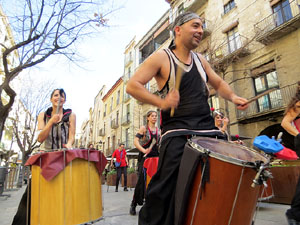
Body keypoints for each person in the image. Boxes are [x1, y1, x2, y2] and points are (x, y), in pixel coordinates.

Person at [126, 11, 248, 225]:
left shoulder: (201, 60)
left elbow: (218, 84)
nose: (200, 30)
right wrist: (161, 103)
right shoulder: (162, 57)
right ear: (178, 30)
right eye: (195, 25)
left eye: (201, 26)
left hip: (208, 130)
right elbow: (132, 85)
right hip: (178, 132)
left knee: (222, 180)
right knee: (164, 189)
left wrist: (233, 96)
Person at [12, 88, 76, 225]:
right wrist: (51, 121)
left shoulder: (71, 115)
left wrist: (69, 144)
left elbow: (72, 137)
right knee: (31, 195)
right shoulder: (43, 115)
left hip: (62, 158)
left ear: (65, 99)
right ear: (51, 98)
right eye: (56, 95)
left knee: (61, 195)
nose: (59, 98)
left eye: (62, 96)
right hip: (44, 159)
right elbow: (40, 138)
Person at [130, 110, 160, 215]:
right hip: (145, 159)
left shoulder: (158, 131)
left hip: (156, 159)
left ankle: (151, 204)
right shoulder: (144, 129)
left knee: (154, 182)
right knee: (141, 183)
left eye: (156, 116)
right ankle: (133, 204)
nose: (154, 118)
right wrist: (143, 150)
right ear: (148, 117)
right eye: (152, 116)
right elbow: (135, 141)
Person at [281, 81, 300, 225]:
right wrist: (298, 135)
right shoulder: (298, 104)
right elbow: (285, 123)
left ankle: (295, 213)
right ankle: (294, 213)